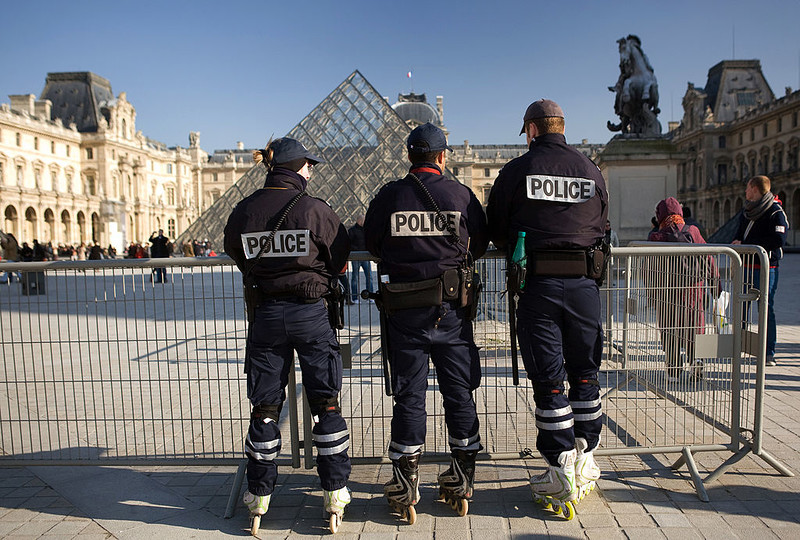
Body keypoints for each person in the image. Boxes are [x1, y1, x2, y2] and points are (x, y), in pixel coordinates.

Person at [223, 137, 352, 531]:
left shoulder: (245, 210)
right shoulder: (315, 209)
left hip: (265, 315)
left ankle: (259, 494)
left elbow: (234, 249)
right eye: (309, 165)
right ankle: (334, 491)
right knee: (326, 404)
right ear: (298, 168)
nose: (311, 171)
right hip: (311, 315)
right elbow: (341, 256)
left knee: (264, 408)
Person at [486, 99, 608, 515]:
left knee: (549, 377)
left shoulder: (517, 171)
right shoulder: (591, 170)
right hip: (584, 286)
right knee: (586, 370)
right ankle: (587, 454)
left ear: (532, 130)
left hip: (538, 285)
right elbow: (603, 224)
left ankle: (559, 464)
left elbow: (497, 228)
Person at [364, 122, 489, 520]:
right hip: (451, 311)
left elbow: (372, 242)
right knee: (459, 393)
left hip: (404, 314)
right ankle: (464, 473)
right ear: (442, 156)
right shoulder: (461, 194)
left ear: (409, 156)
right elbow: (480, 243)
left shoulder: (389, 196)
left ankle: (406, 477)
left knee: (409, 397)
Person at [647, 197, 715, 381]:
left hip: (667, 293)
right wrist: (715, 286)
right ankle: (697, 362)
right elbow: (708, 258)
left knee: (670, 330)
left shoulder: (656, 236)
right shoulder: (693, 231)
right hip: (694, 291)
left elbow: (650, 268)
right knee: (695, 327)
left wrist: (651, 294)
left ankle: (674, 369)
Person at [732, 176, 788, 367]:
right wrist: (737, 243)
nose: (745, 191)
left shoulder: (775, 212)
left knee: (766, 309)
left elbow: (778, 241)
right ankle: (738, 347)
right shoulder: (747, 211)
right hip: (745, 266)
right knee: (741, 309)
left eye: (747, 188)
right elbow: (739, 234)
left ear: (755, 189)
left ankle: (768, 352)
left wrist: (747, 245)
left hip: (766, 268)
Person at [348, 215, 373, 302]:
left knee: (369, 277)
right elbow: (349, 243)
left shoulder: (366, 230)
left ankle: (370, 296)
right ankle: (355, 297)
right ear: (360, 221)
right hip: (357, 257)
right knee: (355, 278)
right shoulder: (352, 231)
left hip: (364, 256)